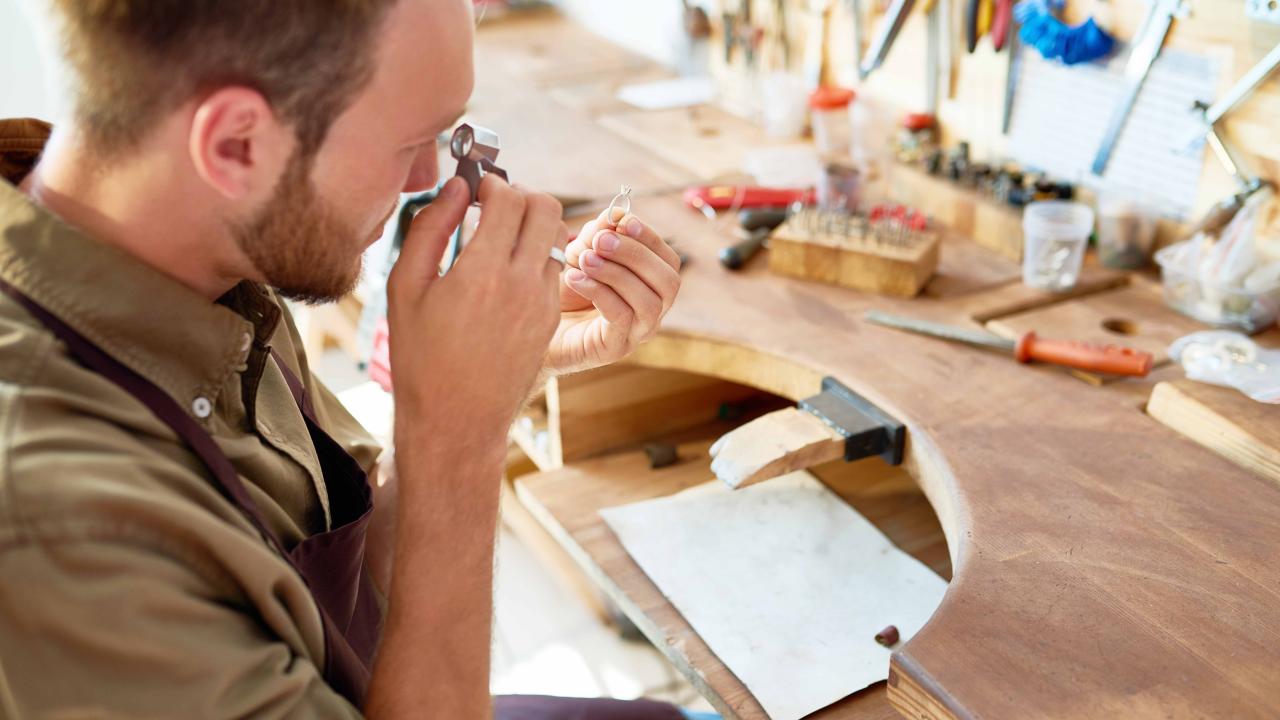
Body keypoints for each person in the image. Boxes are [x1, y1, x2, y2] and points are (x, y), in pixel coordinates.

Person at [0, 0, 695, 717]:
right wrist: (459, 443)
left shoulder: (204, 252)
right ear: (237, 144)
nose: (428, 179)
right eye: (411, 143)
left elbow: (365, 585)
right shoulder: (60, 526)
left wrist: (503, 372)